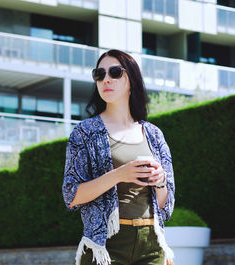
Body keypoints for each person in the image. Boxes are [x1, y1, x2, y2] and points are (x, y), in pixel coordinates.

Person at [62, 49, 175, 265]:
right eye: (99, 74)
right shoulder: (85, 132)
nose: (106, 79)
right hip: (105, 246)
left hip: (151, 244)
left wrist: (159, 182)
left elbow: (164, 205)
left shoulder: (153, 134)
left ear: (131, 80)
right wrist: (119, 175)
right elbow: (71, 196)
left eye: (115, 72)